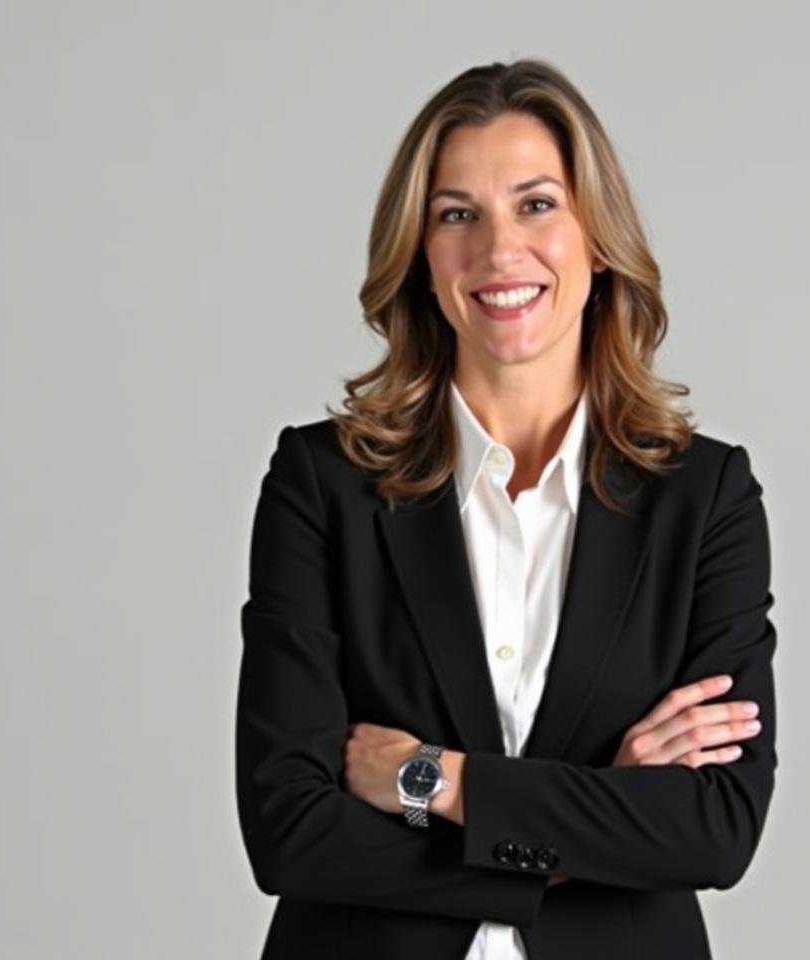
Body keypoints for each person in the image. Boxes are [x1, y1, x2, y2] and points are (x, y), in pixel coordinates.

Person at [235, 58, 778, 960]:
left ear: (596, 239)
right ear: (421, 253)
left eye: (536, 205)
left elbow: (713, 827)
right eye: (458, 215)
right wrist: (595, 819)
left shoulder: (705, 499)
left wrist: (431, 781)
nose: (498, 252)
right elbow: (289, 827)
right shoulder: (320, 483)